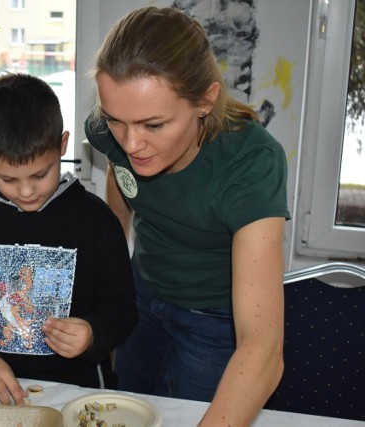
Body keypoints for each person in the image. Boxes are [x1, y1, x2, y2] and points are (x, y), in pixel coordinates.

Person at [84, 6, 290, 427]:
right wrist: (111, 272)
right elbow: (120, 177)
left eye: (153, 125)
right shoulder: (108, 132)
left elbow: (263, 347)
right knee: (132, 407)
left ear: (205, 100)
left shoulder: (250, 163)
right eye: (116, 120)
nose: (132, 142)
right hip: (144, 292)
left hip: (213, 316)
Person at [0, 73, 137, 406]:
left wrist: (93, 332)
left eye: (40, 174)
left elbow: (121, 307)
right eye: (8, 179)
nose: (27, 190)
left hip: (70, 395)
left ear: (62, 145)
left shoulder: (95, 220)